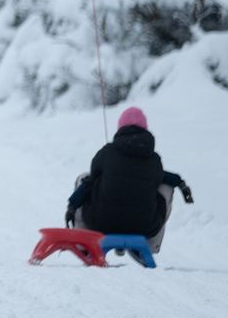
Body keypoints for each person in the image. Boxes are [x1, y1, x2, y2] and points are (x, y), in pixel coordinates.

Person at [66, 107, 194, 253]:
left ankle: (84, 243)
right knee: (166, 186)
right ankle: (150, 246)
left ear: (120, 128)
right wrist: (180, 183)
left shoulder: (107, 152)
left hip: (102, 223)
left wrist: (72, 205)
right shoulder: (154, 160)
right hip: (143, 227)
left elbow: (90, 181)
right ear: (145, 129)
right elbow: (163, 176)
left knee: (84, 177)